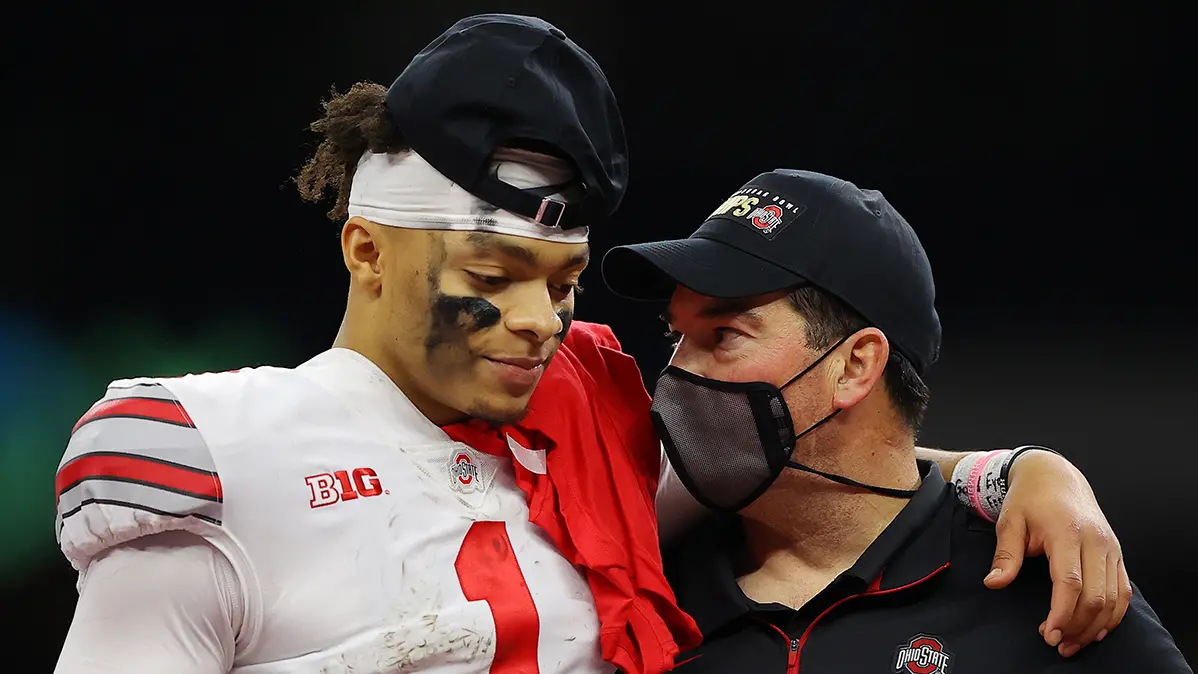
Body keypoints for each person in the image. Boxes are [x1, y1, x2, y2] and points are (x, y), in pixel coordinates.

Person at [54, 14, 1129, 674]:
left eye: (562, 282)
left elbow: (844, 463)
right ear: (367, 249)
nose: (539, 318)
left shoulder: (595, 421)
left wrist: (1022, 470)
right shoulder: (211, 456)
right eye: (491, 277)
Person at [601, 168, 1191, 672]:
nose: (675, 377)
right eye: (676, 337)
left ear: (856, 366)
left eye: (723, 334)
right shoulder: (638, 586)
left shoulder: (1044, 593)